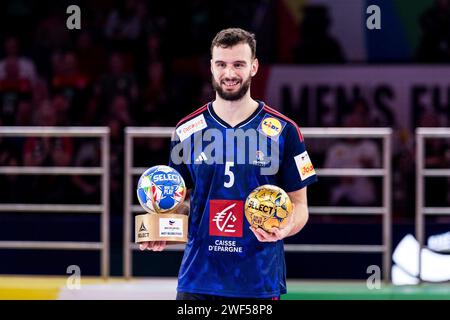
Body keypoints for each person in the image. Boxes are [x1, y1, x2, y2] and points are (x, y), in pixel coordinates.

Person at [139, 28, 317, 299]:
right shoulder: (186, 130)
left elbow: (300, 206)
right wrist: (164, 222)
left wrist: (286, 227)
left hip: (258, 282)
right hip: (198, 280)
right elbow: (182, 200)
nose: (229, 73)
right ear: (211, 66)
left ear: (254, 67)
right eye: (221, 64)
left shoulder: (285, 130)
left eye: (238, 64)